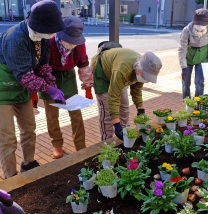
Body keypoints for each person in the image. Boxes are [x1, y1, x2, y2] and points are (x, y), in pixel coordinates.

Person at [0, 0, 65, 179]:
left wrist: (53, 86)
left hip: (21, 90)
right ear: (37, 25)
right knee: (7, 138)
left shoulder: (42, 38)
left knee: (29, 128)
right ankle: (10, 177)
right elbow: (25, 76)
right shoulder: (15, 37)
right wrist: (49, 91)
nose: (52, 34)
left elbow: (43, 65)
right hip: (2, 90)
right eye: (50, 31)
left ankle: (28, 163)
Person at [37, 16, 93, 159]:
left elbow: (83, 64)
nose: (71, 44)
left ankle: (80, 144)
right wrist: (49, 89)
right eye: (69, 40)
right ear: (60, 35)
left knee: (76, 114)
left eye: (75, 41)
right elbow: (40, 67)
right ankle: (57, 144)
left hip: (68, 76)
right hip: (48, 75)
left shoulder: (79, 45)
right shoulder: (48, 43)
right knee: (52, 115)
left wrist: (87, 88)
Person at [91, 45, 162, 140]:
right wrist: (116, 124)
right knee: (107, 112)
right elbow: (113, 97)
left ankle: (125, 135)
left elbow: (136, 91)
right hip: (102, 70)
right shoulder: (122, 70)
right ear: (138, 67)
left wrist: (140, 109)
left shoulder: (141, 69)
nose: (145, 78)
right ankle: (107, 142)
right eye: (145, 75)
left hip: (117, 71)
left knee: (124, 107)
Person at [178, 9, 208, 99]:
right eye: (197, 26)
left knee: (199, 82)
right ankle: (186, 102)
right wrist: (183, 67)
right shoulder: (186, 30)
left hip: (203, 56)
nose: (199, 28)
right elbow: (182, 49)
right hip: (189, 55)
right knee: (185, 81)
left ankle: (198, 101)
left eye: (202, 26)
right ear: (193, 21)